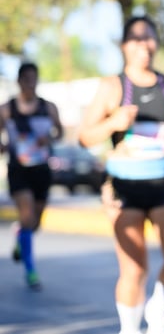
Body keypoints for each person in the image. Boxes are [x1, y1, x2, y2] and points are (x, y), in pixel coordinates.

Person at [78, 15, 164, 334]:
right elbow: (85, 136)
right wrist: (112, 123)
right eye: (137, 39)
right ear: (125, 46)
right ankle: (129, 329)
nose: (144, 45)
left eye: (150, 38)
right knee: (134, 269)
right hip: (125, 186)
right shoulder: (112, 87)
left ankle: (160, 309)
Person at [0, 61, 63, 291]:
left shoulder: (49, 108)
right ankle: (31, 271)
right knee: (27, 216)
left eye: (33, 78)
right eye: (26, 78)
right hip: (18, 170)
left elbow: (60, 131)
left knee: (34, 223)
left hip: (41, 170)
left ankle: (20, 238)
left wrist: (50, 138)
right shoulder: (7, 109)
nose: (30, 83)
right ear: (19, 81)